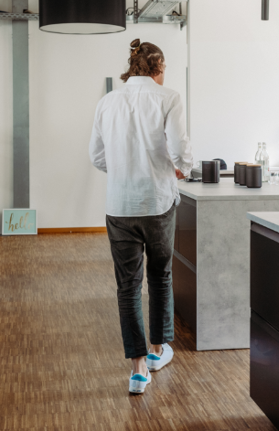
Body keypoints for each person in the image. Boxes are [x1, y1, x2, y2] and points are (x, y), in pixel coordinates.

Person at [89, 38, 193, 394]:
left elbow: (96, 156)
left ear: (132, 67)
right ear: (158, 68)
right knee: (160, 277)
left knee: (127, 286)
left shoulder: (107, 102)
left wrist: (125, 170)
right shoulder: (168, 97)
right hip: (158, 203)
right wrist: (181, 169)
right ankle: (157, 351)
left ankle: (137, 371)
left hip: (119, 206)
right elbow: (180, 148)